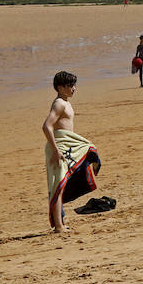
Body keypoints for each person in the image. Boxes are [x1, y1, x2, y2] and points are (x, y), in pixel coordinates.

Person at [42, 71, 101, 232]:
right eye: (70, 86)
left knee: (62, 184)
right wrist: (55, 150)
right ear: (60, 87)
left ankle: (60, 222)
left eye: (75, 85)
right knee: (57, 186)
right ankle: (59, 226)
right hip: (59, 148)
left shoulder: (66, 102)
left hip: (66, 146)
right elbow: (46, 126)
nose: (74, 89)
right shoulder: (59, 103)